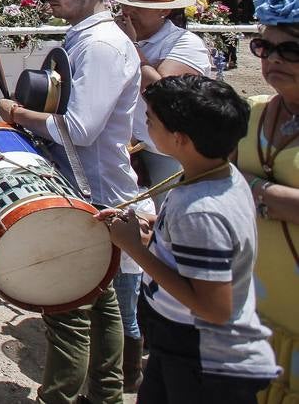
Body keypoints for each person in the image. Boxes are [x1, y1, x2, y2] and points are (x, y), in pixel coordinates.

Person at [0, 0, 139, 404]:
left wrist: (19, 114)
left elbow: (79, 129)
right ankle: (106, 396)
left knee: (68, 308)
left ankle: (62, 397)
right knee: (102, 306)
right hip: (86, 187)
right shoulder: (88, 38)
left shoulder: (99, 45)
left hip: (92, 190)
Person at [100, 75, 279, 403]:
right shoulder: (213, 175)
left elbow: (214, 308)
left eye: (150, 120)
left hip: (201, 355)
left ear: (180, 139)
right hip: (181, 344)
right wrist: (158, 228)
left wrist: (134, 249)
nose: (144, 126)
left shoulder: (201, 212)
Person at [106, 0, 211, 388]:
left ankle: (150, 339)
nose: (126, 13)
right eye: (124, 5)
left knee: (165, 245)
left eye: (138, 7)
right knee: (131, 245)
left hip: (165, 156)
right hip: (130, 151)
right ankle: (133, 339)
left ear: (165, 11)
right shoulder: (126, 36)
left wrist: (132, 48)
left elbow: (164, 94)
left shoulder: (187, 46)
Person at [236, 0, 299, 404]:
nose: (273, 58)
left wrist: (251, 187)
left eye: (290, 49)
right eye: (265, 47)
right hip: (254, 309)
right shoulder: (252, 111)